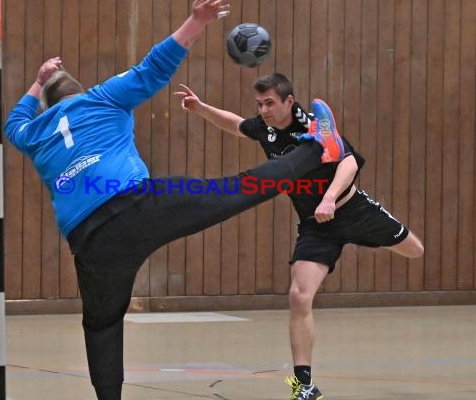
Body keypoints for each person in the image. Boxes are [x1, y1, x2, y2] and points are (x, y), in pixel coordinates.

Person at [4, 0, 346, 400]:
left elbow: (13, 121)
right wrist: (196, 21)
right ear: (78, 93)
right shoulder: (102, 97)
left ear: (45, 105)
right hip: (139, 206)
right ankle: (316, 148)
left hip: (91, 240)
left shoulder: (33, 132)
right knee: (233, 190)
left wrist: (39, 81)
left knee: (101, 325)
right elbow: (155, 68)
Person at [174, 74, 424, 400]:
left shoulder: (314, 125)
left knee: (415, 251)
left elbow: (348, 163)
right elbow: (237, 125)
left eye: (270, 103)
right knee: (299, 296)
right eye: (259, 104)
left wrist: (330, 198)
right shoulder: (264, 128)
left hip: (352, 209)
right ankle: (303, 386)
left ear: (289, 102)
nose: (263, 110)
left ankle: (365, 236)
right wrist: (202, 108)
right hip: (316, 225)